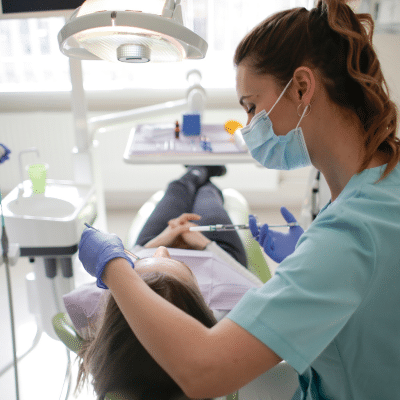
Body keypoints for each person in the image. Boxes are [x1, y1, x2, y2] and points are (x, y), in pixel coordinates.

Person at [78, 1, 400, 399]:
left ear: (302, 87)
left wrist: (113, 266)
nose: (248, 127)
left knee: (190, 189)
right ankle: (198, 178)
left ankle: (195, 178)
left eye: (251, 106)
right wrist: (314, 260)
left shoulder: (352, 232)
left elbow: (204, 371)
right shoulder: (380, 185)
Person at [69, 165, 264, 400]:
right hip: (214, 250)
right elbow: (262, 293)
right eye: (183, 268)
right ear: (200, 301)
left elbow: (83, 301)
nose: (163, 251)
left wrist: (156, 243)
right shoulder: (224, 315)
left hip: (153, 238)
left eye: (142, 262)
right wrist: (205, 245)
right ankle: (206, 178)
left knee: (175, 191)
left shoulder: (101, 308)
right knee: (209, 197)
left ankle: (193, 173)